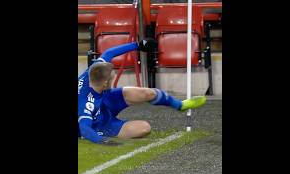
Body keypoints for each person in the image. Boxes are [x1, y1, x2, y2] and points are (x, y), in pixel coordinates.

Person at [78, 39, 206, 144]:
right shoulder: (86, 103)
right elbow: (84, 127)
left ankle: (180, 105)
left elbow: (109, 53)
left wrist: (137, 45)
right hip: (98, 123)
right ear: (105, 82)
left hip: (105, 99)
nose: (114, 76)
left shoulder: (94, 71)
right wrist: (101, 140)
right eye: (111, 77)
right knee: (144, 128)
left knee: (149, 93)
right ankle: (104, 130)